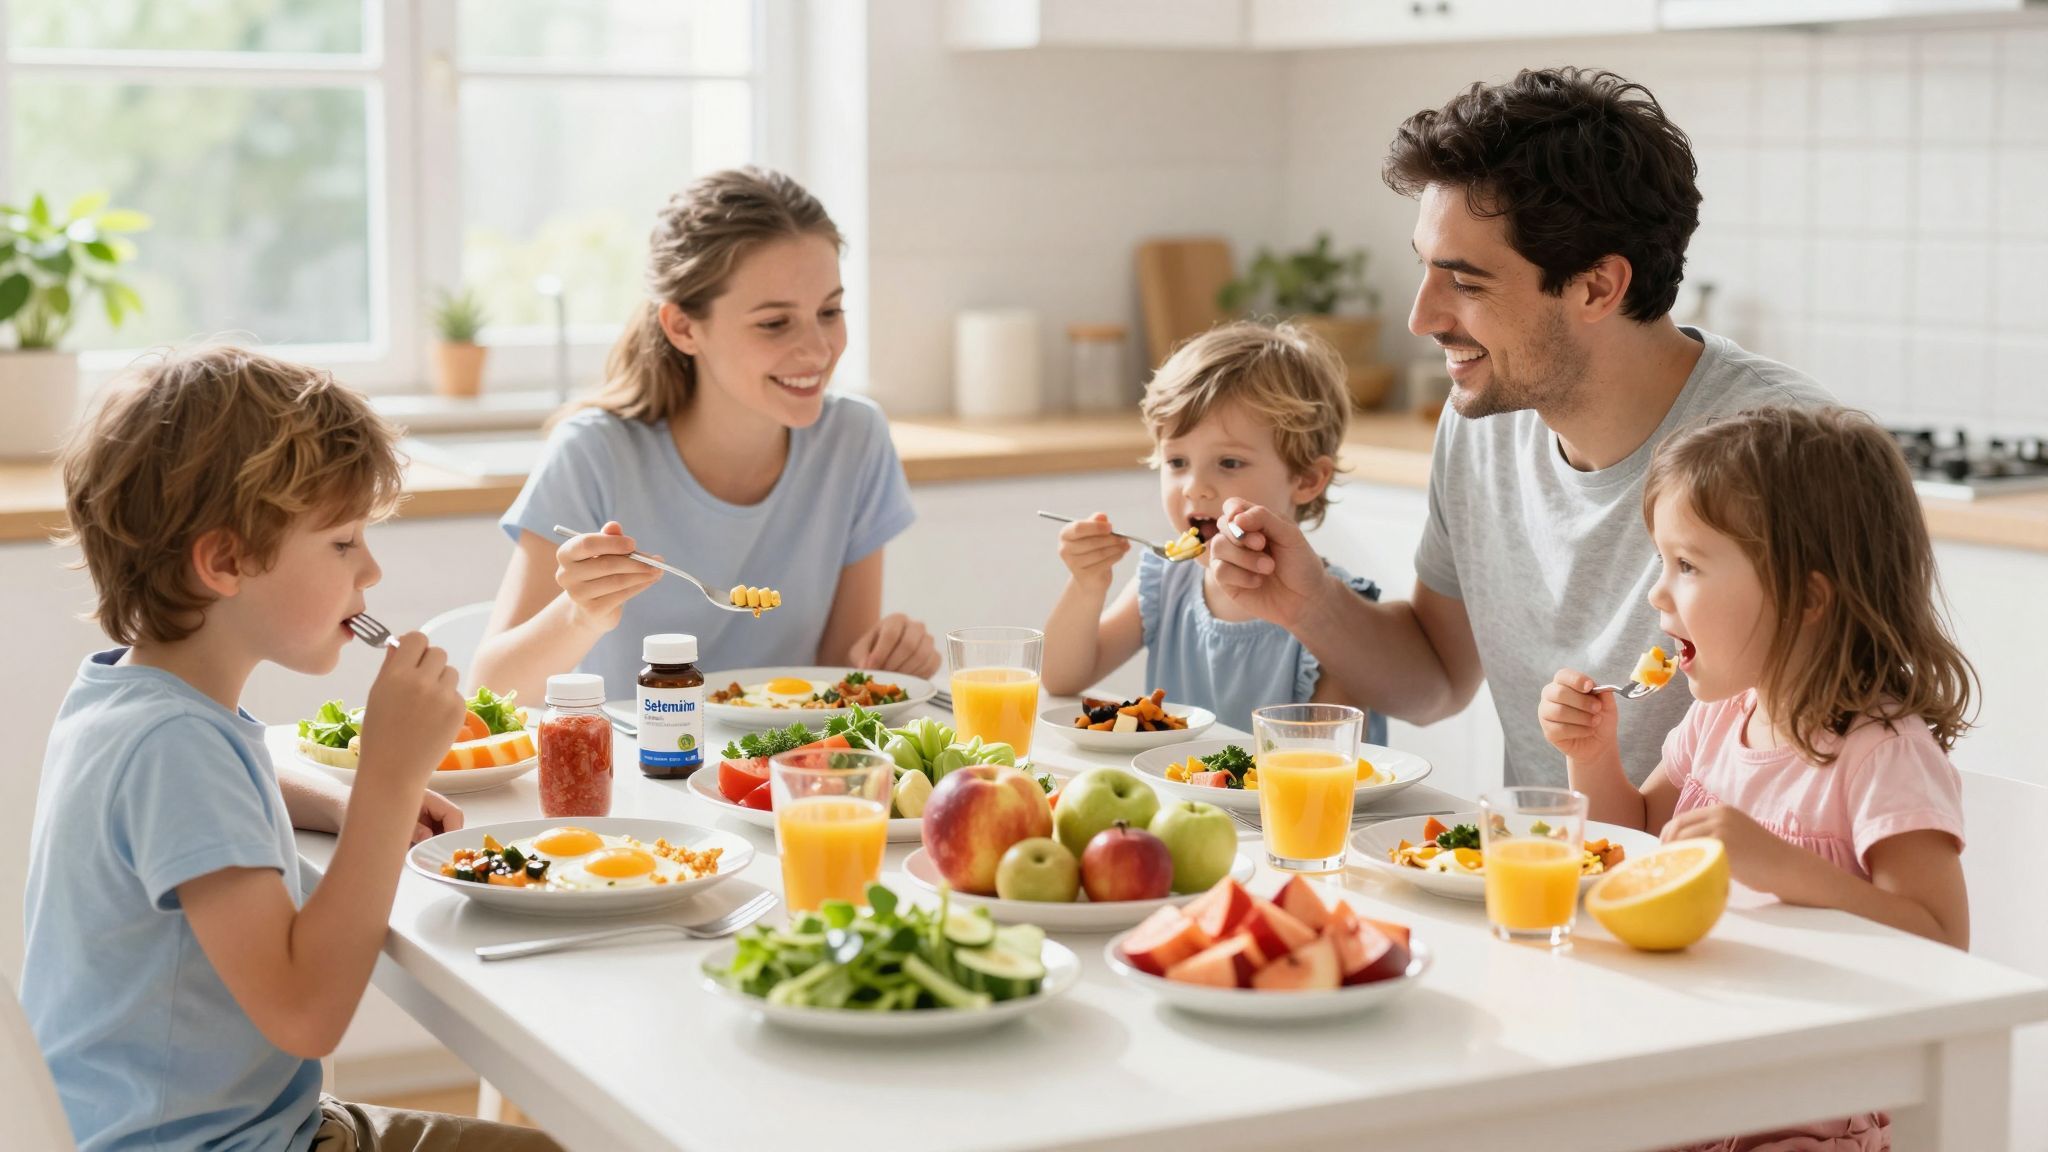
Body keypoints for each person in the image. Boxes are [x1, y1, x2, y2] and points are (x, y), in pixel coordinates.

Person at [1207, 67, 1832, 788]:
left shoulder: (1791, 448)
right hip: (1536, 875)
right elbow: (1435, 683)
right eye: (1426, 271)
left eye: (1466, 283)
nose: (1422, 318)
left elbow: (1857, 757)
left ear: (1597, 286)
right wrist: (1307, 600)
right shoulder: (1483, 423)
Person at [22, 346, 560, 1151]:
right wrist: (386, 777)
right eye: (343, 543)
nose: (370, 566)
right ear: (225, 561)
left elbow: (220, 792)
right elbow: (310, 1015)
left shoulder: (130, 702)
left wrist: (342, 804)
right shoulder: (176, 747)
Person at [1542, 406, 1971, 1151]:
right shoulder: (1721, 719)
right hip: (1704, 1069)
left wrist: (1786, 869)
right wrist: (1592, 755)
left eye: (1688, 565)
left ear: (1808, 597)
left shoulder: (1882, 752)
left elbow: (1943, 940)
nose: (1657, 594)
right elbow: (1636, 839)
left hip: (1806, 1100)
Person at [474, 167, 940, 704]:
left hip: (783, 770)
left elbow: (835, 674)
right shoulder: (594, 454)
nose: (818, 350)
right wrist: (578, 614)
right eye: (774, 323)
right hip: (632, 772)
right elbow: (489, 692)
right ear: (683, 327)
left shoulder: (854, 439)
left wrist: (881, 662)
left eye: (829, 311)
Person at [1041, 320, 1386, 740]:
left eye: (1229, 463)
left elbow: (1327, 769)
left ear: (1306, 479)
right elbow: (1060, 678)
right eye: (1177, 462)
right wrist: (1087, 584)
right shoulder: (1166, 578)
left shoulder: (1336, 614)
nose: (1195, 487)